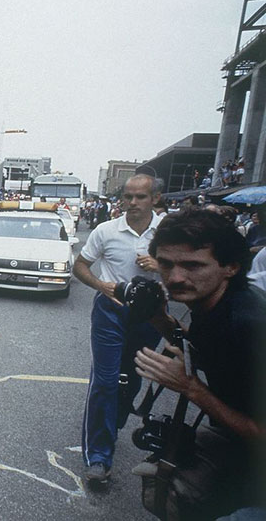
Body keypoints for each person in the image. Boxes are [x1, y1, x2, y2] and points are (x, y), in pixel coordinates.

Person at [134, 209, 265, 519]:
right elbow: (209, 349)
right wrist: (159, 318)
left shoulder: (250, 326)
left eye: (193, 265)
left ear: (231, 267)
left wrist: (191, 388)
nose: (175, 278)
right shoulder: (215, 303)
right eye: (166, 264)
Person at [72, 174, 164, 484]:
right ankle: (98, 457)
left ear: (155, 199)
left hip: (151, 316)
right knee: (106, 381)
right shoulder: (106, 230)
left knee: (132, 380)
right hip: (110, 311)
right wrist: (101, 285)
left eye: (140, 197)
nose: (133, 203)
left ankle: (115, 419)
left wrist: (161, 267)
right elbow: (80, 267)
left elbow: (189, 270)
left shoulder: (168, 232)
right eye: (128, 197)